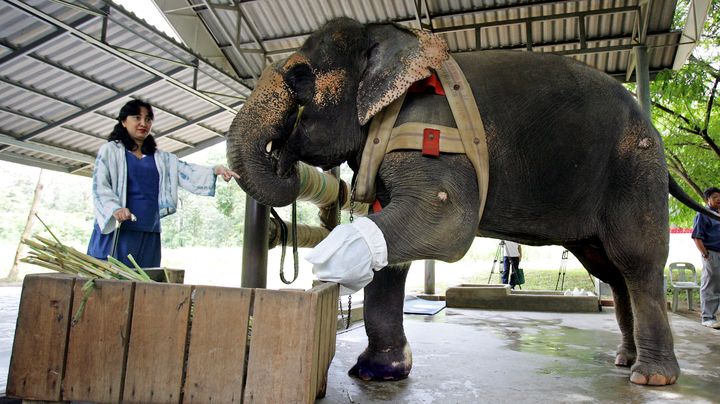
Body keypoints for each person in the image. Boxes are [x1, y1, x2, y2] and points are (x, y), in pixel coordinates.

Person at [87, 99, 239, 268]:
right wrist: (114, 208)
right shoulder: (110, 151)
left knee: (146, 285)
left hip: (150, 232)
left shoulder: (161, 158)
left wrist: (215, 170)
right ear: (123, 121)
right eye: (137, 117)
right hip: (117, 231)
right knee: (111, 285)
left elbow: (186, 171)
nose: (143, 123)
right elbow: (100, 186)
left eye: (148, 119)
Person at [692, 186, 720, 329]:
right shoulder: (703, 214)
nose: (719, 199)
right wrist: (706, 254)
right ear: (707, 199)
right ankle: (707, 317)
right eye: (715, 197)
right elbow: (697, 237)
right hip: (711, 253)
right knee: (710, 285)